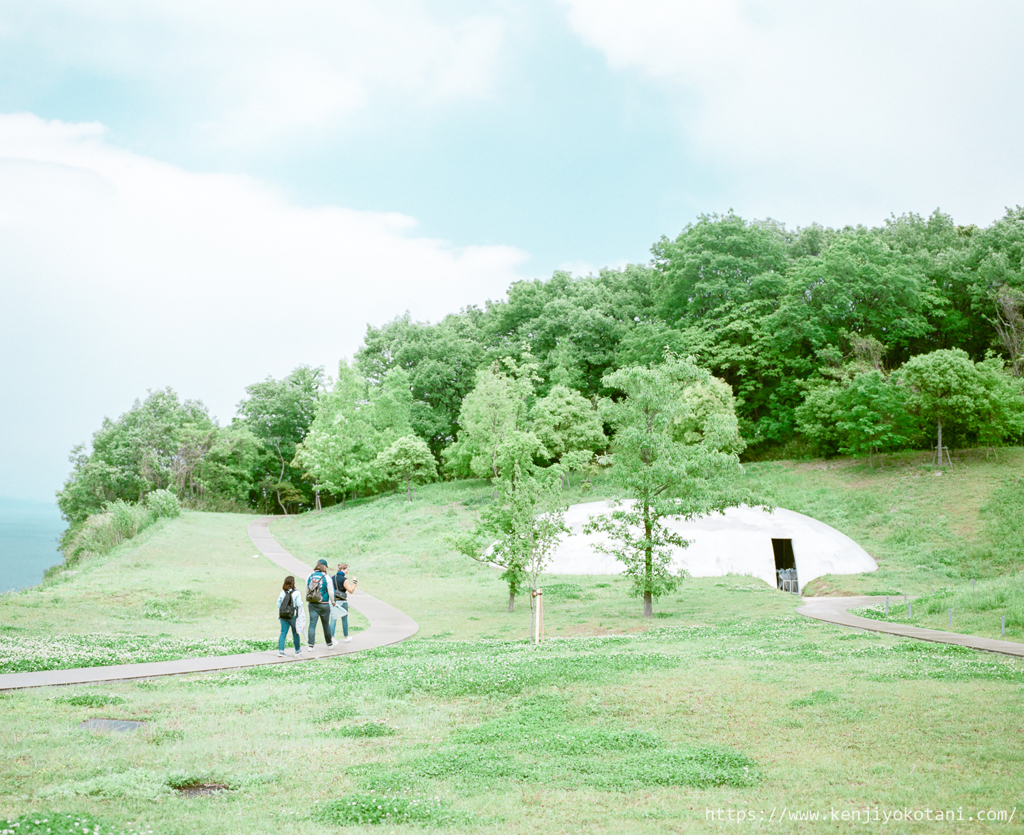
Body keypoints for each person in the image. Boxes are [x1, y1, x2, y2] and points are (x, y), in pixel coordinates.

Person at [304, 559, 337, 651]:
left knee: (312, 624)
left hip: (312, 604)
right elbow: (331, 592)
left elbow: (307, 589)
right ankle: (329, 644)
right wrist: (333, 602)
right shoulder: (326, 577)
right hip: (324, 603)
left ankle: (310, 646)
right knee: (326, 624)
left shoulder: (309, 576)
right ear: (324, 567)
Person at [276, 575, 304, 656]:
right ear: (293, 583)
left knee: (283, 633)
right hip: (293, 616)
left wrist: (284, 610)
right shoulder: (297, 593)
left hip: (283, 616)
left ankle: (281, 651)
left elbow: (278, 603)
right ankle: (297, 650)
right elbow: (299, 604)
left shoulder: (282, 592)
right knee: (295, 633)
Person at [330, 562, 352, 643]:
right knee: (344, 618)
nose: (347, 571)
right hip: (342, 601)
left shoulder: (332, 578)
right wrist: (355, 582)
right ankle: (346, 636)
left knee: (333, 619)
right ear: (342, 569)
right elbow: (351, 590)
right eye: (347, 569)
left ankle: (331, 637)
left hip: (334, 601)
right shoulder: (344, 579)